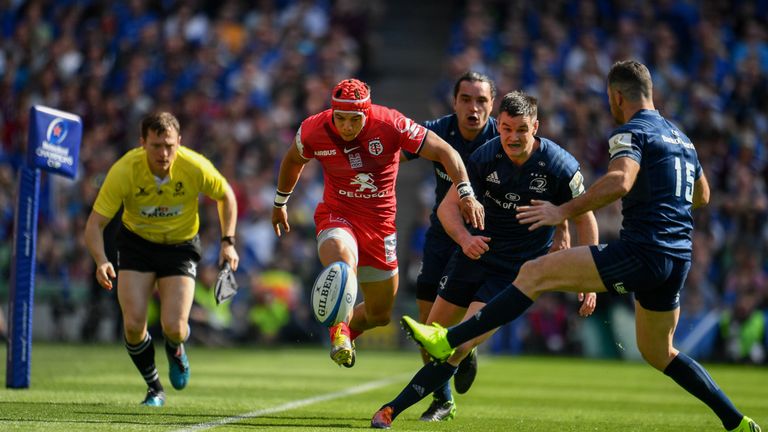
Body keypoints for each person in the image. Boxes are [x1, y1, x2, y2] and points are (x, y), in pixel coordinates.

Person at [400, 60, 762, 432]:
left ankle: (453, 340)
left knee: (534, 272)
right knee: (659, 353)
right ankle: (737, 421)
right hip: (678, 256)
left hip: (642, 251)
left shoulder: (631, 132)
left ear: (616, 96)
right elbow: (701, 195)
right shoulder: (680, 137)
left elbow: (620, 181)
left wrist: (563, 212)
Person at [371, 91, 599, 428]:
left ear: (536, 127)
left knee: (457, 343)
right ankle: (462, 362)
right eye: (506, 129)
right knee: (435, 338)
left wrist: (589, 279)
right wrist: (464, 239)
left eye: (521, 129)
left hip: (517, 271)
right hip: (474, 255)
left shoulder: (558, 164)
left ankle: (390, 410)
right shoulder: (484, 156)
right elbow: (448, 207)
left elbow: (586, 217)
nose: (512, 137)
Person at [270, 78, 484, 368]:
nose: (346, 126)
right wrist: (281, 202)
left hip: (380, 227)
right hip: (337, 214)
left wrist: (466, 192)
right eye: (340, 118)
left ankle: (346, 331)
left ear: (367, 113)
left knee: (380, 314)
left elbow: (446, 152)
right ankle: (339, 333)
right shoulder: (313, 128)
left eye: (354, 119)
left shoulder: (391, 124)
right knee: (342, 266)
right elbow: (293, 159)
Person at [84, 112, 239, 407]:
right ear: (142, 143)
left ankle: (176, 348)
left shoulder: (194, 166)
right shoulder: (125, 170)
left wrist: (228, 242)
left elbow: (226, 196)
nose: (163, 153)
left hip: (180, 247)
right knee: (132, 325)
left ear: (179, 142)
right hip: (136, 246)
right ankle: (155, 388)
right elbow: (94, 224)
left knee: (175, 327)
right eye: (156, 145)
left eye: (169, 145)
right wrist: (101, 259)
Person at [401, 71, 499, 421]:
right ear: (454, 102)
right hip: (443, 235)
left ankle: (445, 393)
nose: (474, 107)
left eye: (482, 100)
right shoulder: (438, 131)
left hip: (487, 240)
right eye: (466, 99)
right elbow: (395, 153)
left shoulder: (505, 137)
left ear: (493, 104)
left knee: (449, 327)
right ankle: (447, 391)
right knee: (427, 329)